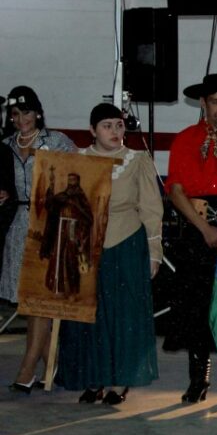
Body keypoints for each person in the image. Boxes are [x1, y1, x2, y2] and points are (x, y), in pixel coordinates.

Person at [56, 103, 162, 404]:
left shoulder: (137, 160)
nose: (115, 131)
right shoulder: (78, 160)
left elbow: (152, 209)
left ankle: (120, 381)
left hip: (127, 243)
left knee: (124, 315)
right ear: (92, 131)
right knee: (92, 316)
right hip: (87, 249)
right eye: (107, 126)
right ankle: (95, 378)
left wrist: (154, 252)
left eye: (119, 125)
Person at [160, 74, 217, 403]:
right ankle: (199, 376)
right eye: (215, 102)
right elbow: (176, 190)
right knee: (197, 305)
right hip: (197, 224)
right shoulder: (185, 140)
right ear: (203, 104)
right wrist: (203, 228)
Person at [4, 86, 77, 394]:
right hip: (18, 224)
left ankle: (26, 369)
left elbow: (80, 179)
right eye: (16, 114)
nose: (22, 119)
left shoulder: (57, 141)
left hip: (50, 224)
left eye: (28, 113)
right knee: (30, 301)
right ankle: (55, 366)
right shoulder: (5, 145)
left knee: (41, 300)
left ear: (39, 113)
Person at [40, 170, 94, 298]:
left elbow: (88, 217)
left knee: (71, 257)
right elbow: (50, 205)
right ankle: (58, 287)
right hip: (60, 228)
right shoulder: (62, 196)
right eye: (69, 180)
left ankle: (72, 290)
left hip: (73, 229)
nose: (71, 183)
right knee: (57, 255)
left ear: (78, 182)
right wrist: (51, 187)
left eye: (73, 180)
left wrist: (81, 234)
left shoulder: (81, 198)